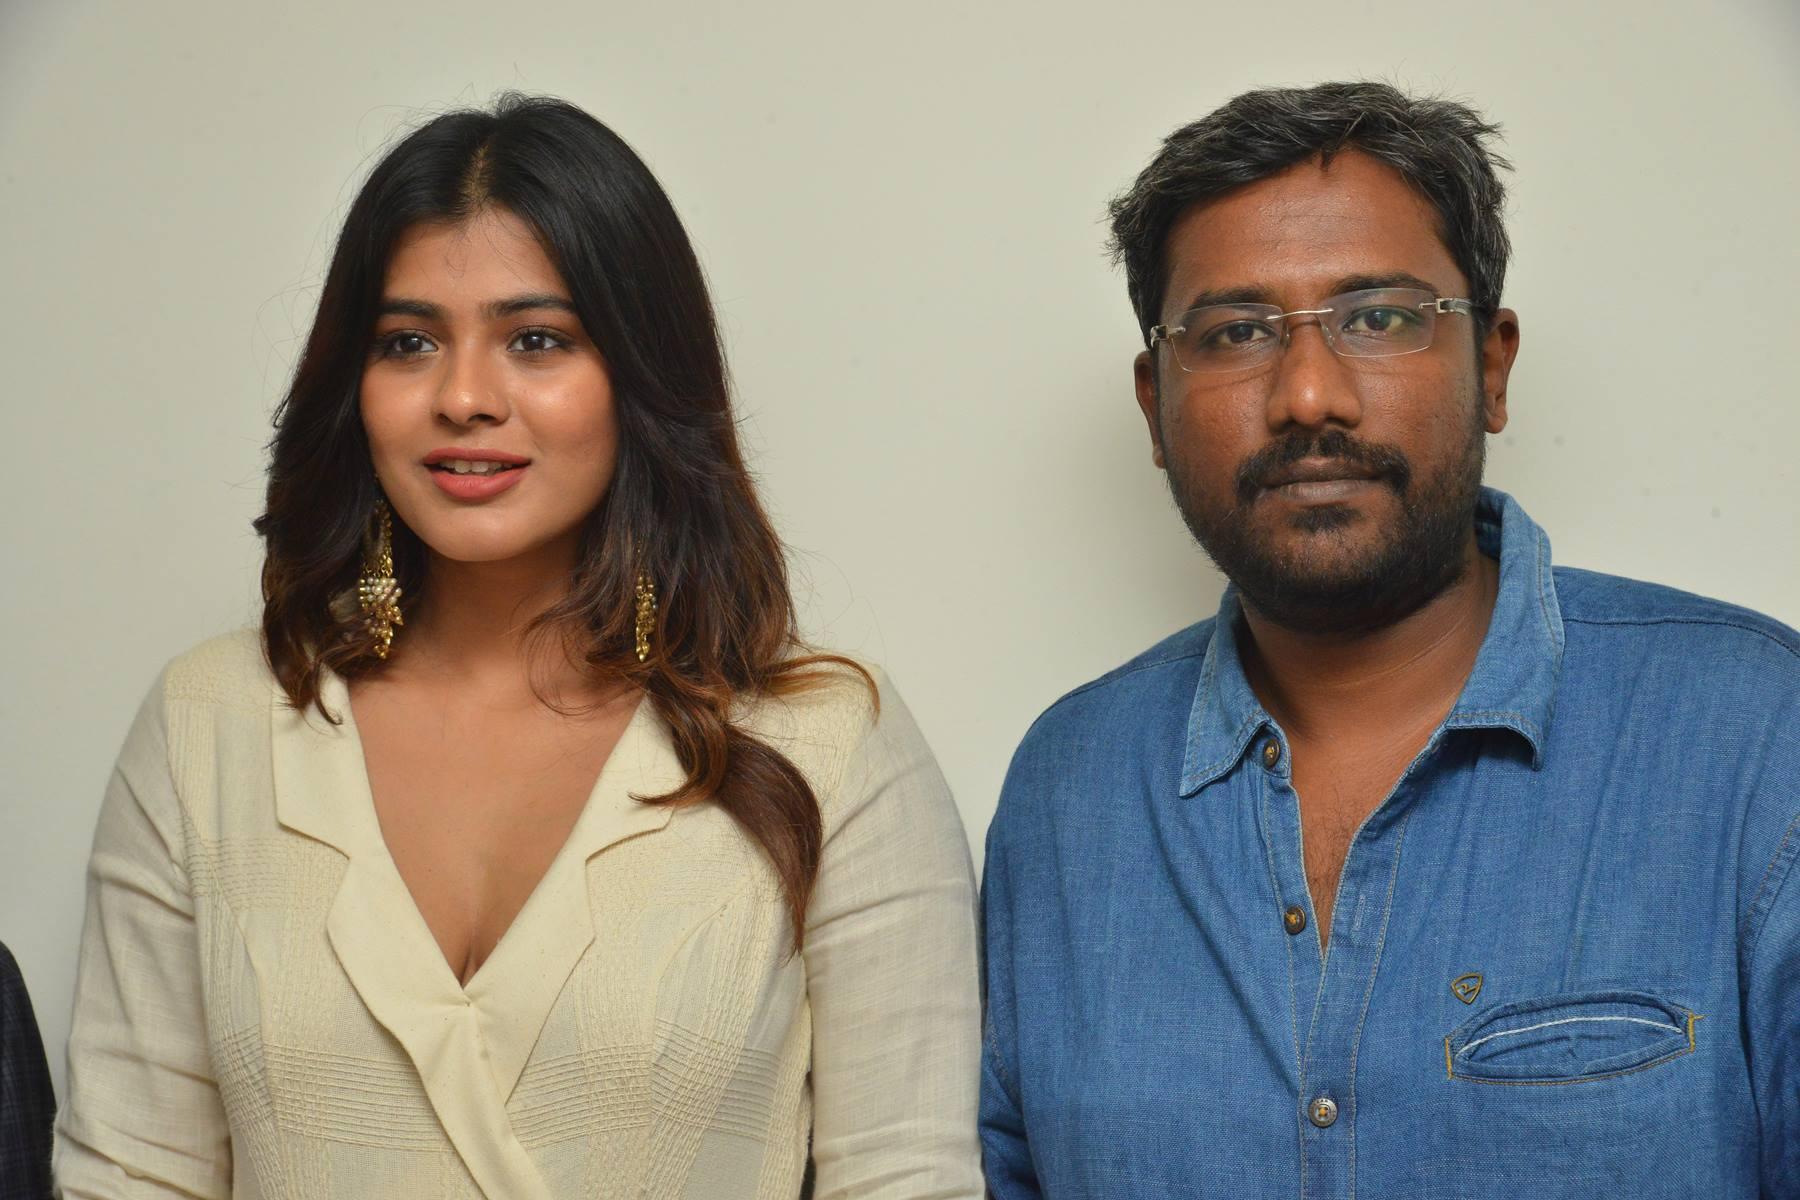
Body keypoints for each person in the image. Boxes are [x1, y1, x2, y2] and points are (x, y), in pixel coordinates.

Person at [55, 94, 982, 1199]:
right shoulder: (209, 724)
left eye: (536, 340)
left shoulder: (825, 743)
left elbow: (907, 1177)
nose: (462, 398)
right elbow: (130, 1173)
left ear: (641, 372)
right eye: (408, 343)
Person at [979, 81, 1799, 1198]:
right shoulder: (1068, 792)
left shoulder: (1753, 740)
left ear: (1492, 367)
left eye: (1379, 316)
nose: (1309, 395)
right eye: (1235, 332)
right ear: (1154, 404)